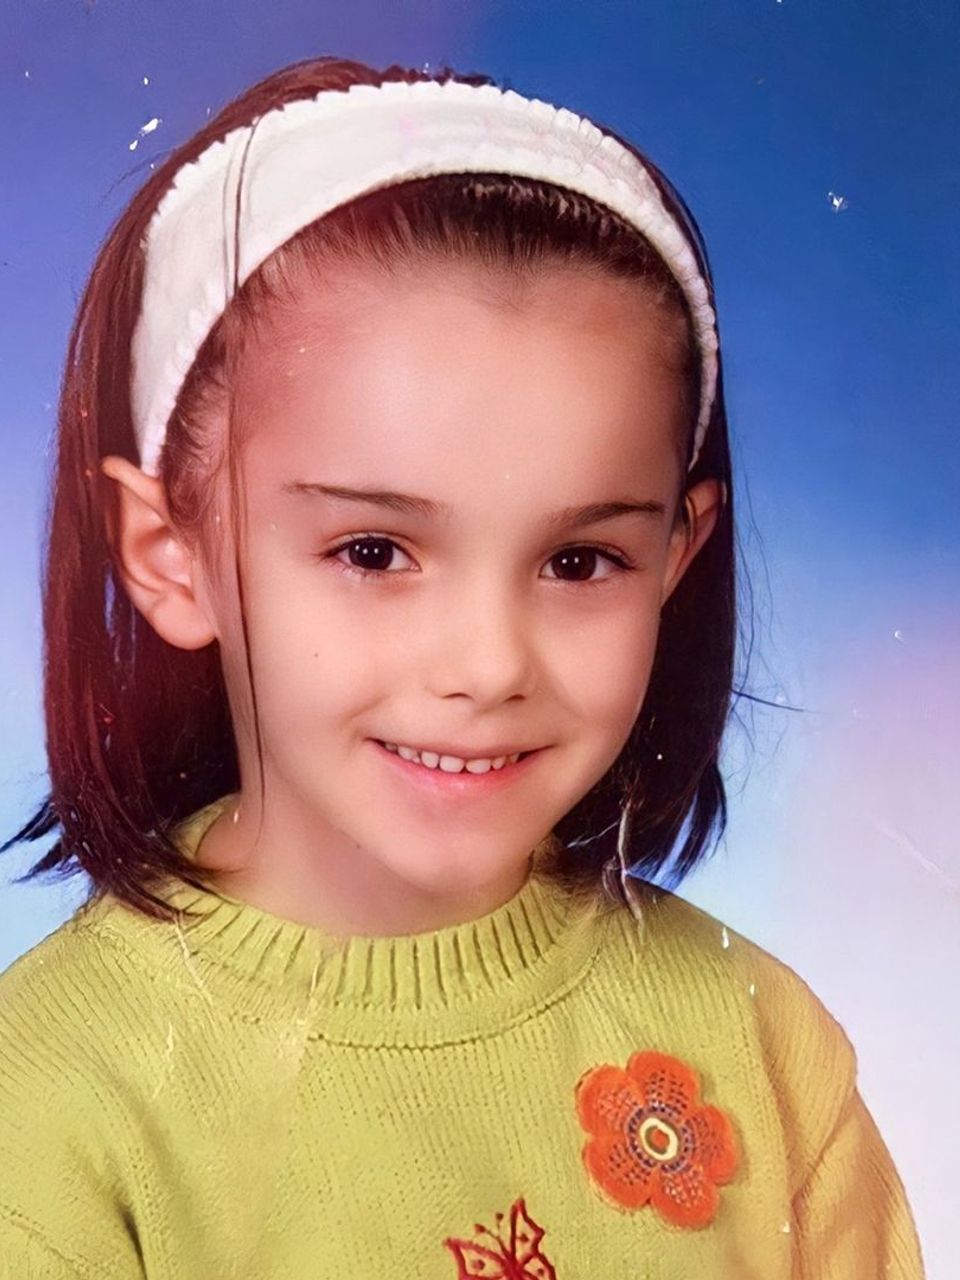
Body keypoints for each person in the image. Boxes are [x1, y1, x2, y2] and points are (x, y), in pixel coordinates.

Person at [0, 54, 925, 1279]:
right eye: (373, 551)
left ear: (676, 555)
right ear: (172, 553)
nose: (489, 665)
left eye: (580, 560)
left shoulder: (761, 1051)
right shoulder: (53, 1105)